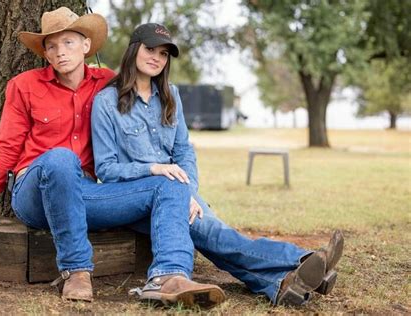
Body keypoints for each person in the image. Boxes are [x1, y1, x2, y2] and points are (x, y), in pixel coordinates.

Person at [0, 8, 225, 308]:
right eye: (51, 46)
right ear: (45, 53)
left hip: (86, 191)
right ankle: (77, 271)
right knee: (60, 159)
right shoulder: (24, 85)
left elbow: (149, 111)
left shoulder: (107, 85)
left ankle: (172, 277)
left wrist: (183, 186)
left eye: (68, 43)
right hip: (33, 190)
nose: (59, 52)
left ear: (86, 46)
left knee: (168, 184)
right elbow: (7, 148)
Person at [91, 22, 344, 306]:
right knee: (213, 233)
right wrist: (153, 169)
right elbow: (106, 170)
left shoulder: (170, 96)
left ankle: (281, 283)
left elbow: (184, 151)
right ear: (133, 50)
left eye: (163, 54)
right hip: (138, 198)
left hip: (179, 191)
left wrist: (188, 192)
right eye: (150, 49)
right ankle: (303, 259)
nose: (156, 58)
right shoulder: (106, 102)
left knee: (214, 236)